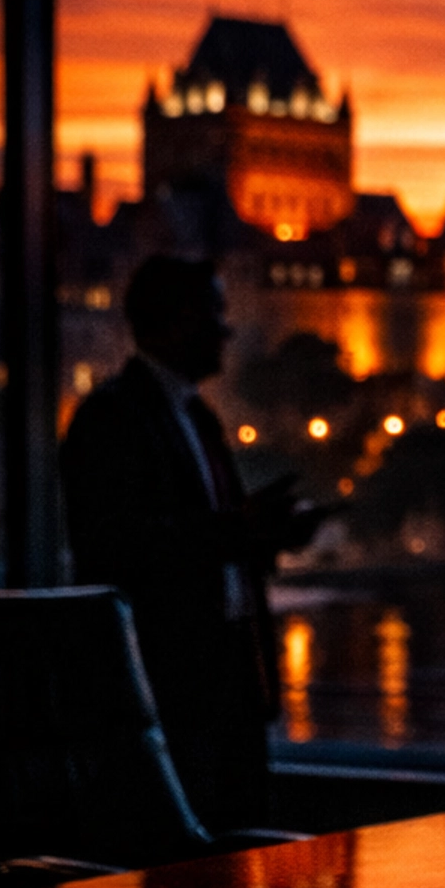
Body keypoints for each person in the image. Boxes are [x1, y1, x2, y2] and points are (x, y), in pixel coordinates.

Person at [61, 256, 322, 833]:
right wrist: (239, 527)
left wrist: (267, 533)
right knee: (191, 855)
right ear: (175, 322)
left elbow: (199, 536)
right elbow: (114, 548)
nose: (226, 331)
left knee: (236, 844)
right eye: (213, 314)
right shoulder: (112, 417)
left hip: (230, 681)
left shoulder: (196, 415)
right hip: (172, 683)